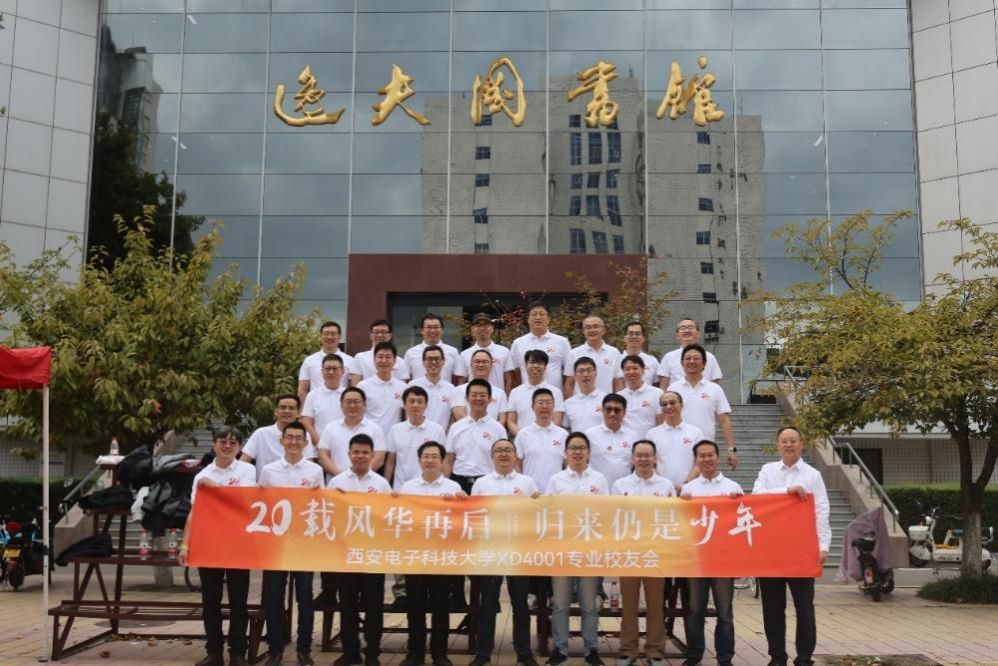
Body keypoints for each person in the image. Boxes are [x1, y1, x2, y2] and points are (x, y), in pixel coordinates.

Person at [752, 426, 831, 666]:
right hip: (771, 551)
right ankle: (777, 657)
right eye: (784, 441)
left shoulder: (813, 475)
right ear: (778, 445)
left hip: (802, 551)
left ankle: (804, 657)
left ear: (801, 444)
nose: (788, 445)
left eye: (793, 440)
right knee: (772, 608)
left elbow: (821, 511)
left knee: (804, 606)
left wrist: (823, 545)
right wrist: (787, 491)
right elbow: (757, 497)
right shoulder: (767, 471)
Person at [178, 427, 256, 666]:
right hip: (209, 544)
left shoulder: (247, 470)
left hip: (238, 545)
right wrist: (185, 545)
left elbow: (243, 502)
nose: (227, 446)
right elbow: (194, 512)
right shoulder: (201, 475)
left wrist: (214, 488)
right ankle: (214, 652)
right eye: (223, 441)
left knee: (238, 602)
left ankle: (237, 653)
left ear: (239, 447)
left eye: (233, 442)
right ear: (214, 444)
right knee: (210, 601)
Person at [469, 439, 542, 666]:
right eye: (499, 450)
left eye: (508, 450)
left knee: (520, 603)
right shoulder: (481, 483)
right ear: (491, 456)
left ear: (515, 455)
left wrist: (539, 502)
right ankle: (483, 653)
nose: (503, 454)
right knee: (488, 604)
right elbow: (472, 515)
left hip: (518, 551)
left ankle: (524, 652)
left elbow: (536, 515)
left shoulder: (527, 482)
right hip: (490, 551)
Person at [258, 421, 324, 666]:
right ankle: (275, 649)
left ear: (306, 443)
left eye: (298, 438)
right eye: (290, 437)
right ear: (282, 441)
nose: (294, 442)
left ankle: (304, 649)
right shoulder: (269, 471)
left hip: (304, 543)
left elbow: (322, 507)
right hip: (276, 544)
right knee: (274, 596)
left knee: (305, 597)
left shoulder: (315, 471)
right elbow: (261, 505)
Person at [328, 434, 393, 666]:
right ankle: (350, 651)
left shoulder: (381, 484)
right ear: (349, 454)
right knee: (347, 605)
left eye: (365, 452)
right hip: (346, 554)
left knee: (374, 605)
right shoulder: (336, 483)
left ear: (372, 455)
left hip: (373, 554)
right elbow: (328, 514)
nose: (360, 456)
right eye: (356, 452)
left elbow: (389, 517)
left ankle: (372, 652)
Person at [399, 441, 466, 666]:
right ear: (419, 460)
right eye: (426, 456)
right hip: (415, 556)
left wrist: (462, 501)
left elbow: (462, 520)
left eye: (434, 456)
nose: (430, 460)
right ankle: (415, 652)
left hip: (442, 557)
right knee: (415, 606)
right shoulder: (408, 488)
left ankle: (439, 652)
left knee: (440, 607)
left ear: (443, 461)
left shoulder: (453, 487)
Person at [545, 432, 608, 666]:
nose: (578, 452)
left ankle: (591, 650)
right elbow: (547, 513)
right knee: (560, 604)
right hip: (563, 551)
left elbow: (607, 512)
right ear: (565, 452)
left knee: (589, 605)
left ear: (589, 452)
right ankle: (560, 649)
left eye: (582, 448)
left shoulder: (599, 479)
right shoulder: (556, 480)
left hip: (590, 551)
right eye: (573, 448)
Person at [611, 440, 676, 666]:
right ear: (632, 459)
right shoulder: (620, 485)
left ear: (655, 459)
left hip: (656, 554)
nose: (643, 459)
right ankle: (628, 650)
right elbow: (613, 518)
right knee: (628, 604)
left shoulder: (666, 485)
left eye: (648, 455)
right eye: (639, 455)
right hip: (629, 553)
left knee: (655, 604)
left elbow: (673, 518)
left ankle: (655, 649)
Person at [680, 439, 744, 666]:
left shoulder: (733, 487)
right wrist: (681, 504)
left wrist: (737, 503)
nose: (706, 459)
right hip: (696, 560)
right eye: (702, 456)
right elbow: (681, 525)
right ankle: (694, 654)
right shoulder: (688, 489)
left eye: (710, 455)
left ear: (718, 458)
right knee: (695, 609)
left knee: (724, 612)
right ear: (696, 459)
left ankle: (725, 657)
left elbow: (741, 522)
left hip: (723, 561)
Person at [666, 344, 737, 471]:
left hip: (706, 452)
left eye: (696, 358)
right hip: (678, 450)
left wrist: (732, 450)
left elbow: (725, 421)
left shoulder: (715, 389)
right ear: (682, 363)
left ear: (704, 364)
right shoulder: (673, 389)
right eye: (688, 358)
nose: (692, 361)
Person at [444, 379, 508, 493]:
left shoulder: (498, 429)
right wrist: (445, 486)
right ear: (467, 398)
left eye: (482, 395)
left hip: (488, 483)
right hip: (459, 483)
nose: (478, 398)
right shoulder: (456, 428)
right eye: (474, 395)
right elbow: (448, 461)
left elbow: (503, 461)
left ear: (490, 399)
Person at [384, 386, 447, 491]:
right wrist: (386, 487)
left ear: (426, 405)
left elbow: (443, 461)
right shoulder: (395, 429)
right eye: (412, 401)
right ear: (404, 405)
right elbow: (390, 461)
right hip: (401, 487)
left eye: (420, 402)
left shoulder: (437, 430)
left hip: (429, 488)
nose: (415, 405)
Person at [240, 394, 316, 480]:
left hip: (296, 486)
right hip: (265, 486)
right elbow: (243, 462)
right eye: (283, 407)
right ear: (276, 411)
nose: (287, 411)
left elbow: (309, 467)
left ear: (298, 413)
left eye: (291, 408)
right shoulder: (261, 433)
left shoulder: (305, 436)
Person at [316, 387, 387, 479]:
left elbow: (379, 459)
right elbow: (323, 456)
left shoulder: (375, 429)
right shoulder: (330, 428)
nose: (352, 406)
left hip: (366, 482)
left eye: (356, 402)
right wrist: (343, 478)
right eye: (348, 402)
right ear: (341, 405)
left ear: (365, 405)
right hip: (335, 483)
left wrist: (359, 476)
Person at [646, 391, 705, 494]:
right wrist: (664, 486)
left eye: (672, 403)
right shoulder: (652, 434)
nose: (668, 407)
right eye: (664, 404)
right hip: (660, 491)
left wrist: (686, 485)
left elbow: (700, 462)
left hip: (690, 490)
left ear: (681, 405)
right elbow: (648, 463)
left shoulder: (696, 432)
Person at [505, 302, 571, 394]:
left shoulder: (562, 342)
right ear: (528, 319)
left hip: (553, 396)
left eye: (542, 314)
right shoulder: (518, 343)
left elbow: (569, 373)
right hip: (526, 396)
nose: (538, 317)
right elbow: (515, 372)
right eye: (534, 314)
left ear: (548, 318)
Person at [514, 388, 569, 493]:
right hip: (530, 494)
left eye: (548, 402)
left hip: (556, 493)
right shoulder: (523, 434)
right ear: (532, 407)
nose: (545, 406)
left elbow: (568, 465)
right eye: (540, 402)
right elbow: (516, 464)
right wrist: (523, 487)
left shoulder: (563, 435)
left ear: (554, 406)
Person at [585, 393, 639, 489]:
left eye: (617, 410)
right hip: (597, 489)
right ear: (602, 410)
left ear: (624, 413)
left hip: (624, 490)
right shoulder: (590, 435)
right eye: (608, 409)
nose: (612, 413)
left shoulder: (633, 436)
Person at [506, 349, 565, 436]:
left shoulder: (556, 392)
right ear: (525, 365)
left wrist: (543, 437)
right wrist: (524, 437)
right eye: (532, 362)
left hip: (548, 440)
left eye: (540, 363)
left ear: (545, 367)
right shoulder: (515, 392)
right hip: (523, 440)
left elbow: (557, 420)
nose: (536, 366)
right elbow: (511, 421)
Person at [357, 341, 407, 437]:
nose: (384, 361)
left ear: (395, 361)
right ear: (374, 360)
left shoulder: (403, 387)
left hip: (394, 439)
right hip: (370, 438)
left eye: (388, 357)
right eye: (380, 357)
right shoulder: (363, 386)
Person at [565, 315, 623, 396]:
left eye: (596, 326)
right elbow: (569, 383)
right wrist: (569, 402)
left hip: (606, 401)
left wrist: (616, 401)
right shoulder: (574, 353)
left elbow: (618, 382)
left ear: (603, 330)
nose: (592, 330)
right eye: (588, 327)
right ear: (583, 331)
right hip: (580, 402)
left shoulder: (614, 352)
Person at [298, 321, 354, 403]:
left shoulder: (350, 361)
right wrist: (303, 410)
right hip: (315, 406)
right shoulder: (309, 360)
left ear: (339, 337)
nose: (329, 337)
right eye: (326, 333)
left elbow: (353, 388)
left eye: (333, 334)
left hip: (341, 406)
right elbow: (303, 390)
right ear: (321, 336)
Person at [657, 319, 722, 389]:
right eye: (683, 328)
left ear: (698, 334)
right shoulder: (668, 357)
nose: (687, 331)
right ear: (677, 335)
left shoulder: (710, 357)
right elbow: (663, 388)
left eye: (691, 327)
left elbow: (715, 386)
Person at [451, 348, 508, 427]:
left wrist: (489, 431)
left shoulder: (500, 393)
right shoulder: (459, 390)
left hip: (491, 433)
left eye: (485, 362)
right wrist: (479, 430)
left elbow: (502, 419)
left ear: (491, 365)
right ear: (471, 365)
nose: (481, 365)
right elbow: (459, 415)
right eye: (477, 362)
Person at [401, 313, 463, 383]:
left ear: (442, 330)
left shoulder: (453, 352)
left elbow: (458, 378)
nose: (433, 330)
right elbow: (405, 379)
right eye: (429, 327)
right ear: (422, 330)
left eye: (436, 327)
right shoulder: (411, 353)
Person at [407, 345, 455, 430]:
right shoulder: (413, 386)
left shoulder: (451, 388)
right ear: (423, 362)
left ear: (443, 362)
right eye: (429, 359)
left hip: (442, 436)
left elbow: (452, 417)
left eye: (437, 359)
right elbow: (407, 414)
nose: (433, 362)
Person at [300, 353, 345, 444]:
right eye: (327, 368)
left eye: (335, 368)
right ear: (322, 371)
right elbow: (306, 422)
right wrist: (320, 445)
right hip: (319, 447)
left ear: (342, 371)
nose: (331, 372)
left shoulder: (349, 396)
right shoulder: (312, 396)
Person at [457, 312, 510, 389]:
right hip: (474, 395)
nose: (482, 328)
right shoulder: (464, 355)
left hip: (497, 396)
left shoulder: (504, 352)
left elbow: (509, 380)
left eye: (486, 325)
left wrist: (504, 396)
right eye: (478, 325)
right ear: (472, 329)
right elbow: (461, 381)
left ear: (492, 328)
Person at [618, 354, 664, 437]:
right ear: (623, 372)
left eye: (635, 368)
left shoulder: (657, 393)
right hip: (626, 443)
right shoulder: (619, 397)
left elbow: (661, 424)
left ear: (643, 370)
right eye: (627, 369)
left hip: (649, 442)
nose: (631, 372)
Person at [563, 356, 606, 433]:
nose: (585, 374)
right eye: (581, 371)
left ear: (596, 373)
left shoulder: (606, 400)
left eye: (589, 370)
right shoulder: (568, 404)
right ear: (575, 376)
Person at [621, 321, 659, 386]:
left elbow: (657, 384)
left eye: (637, 334)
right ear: (624, 338)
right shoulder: (617, 360)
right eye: (630, 333)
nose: (634, 337)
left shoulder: (652, 361)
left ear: (643, 338)